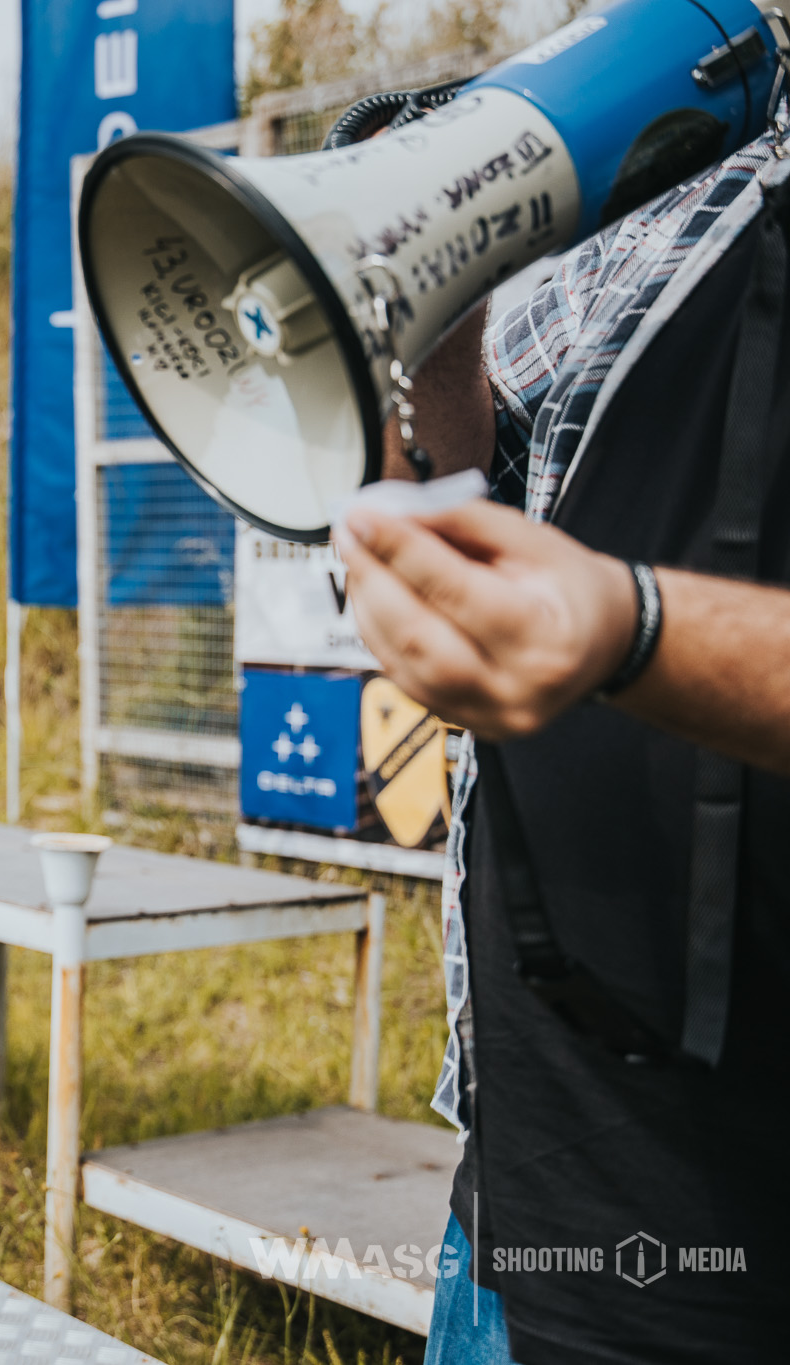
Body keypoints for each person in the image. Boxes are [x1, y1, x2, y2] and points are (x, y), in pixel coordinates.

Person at [339, 122, 790, 1363]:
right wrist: (422, 292)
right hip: (529, 1204)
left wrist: (636, 630)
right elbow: (462, 481)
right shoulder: (658, 218)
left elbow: (607, 609)